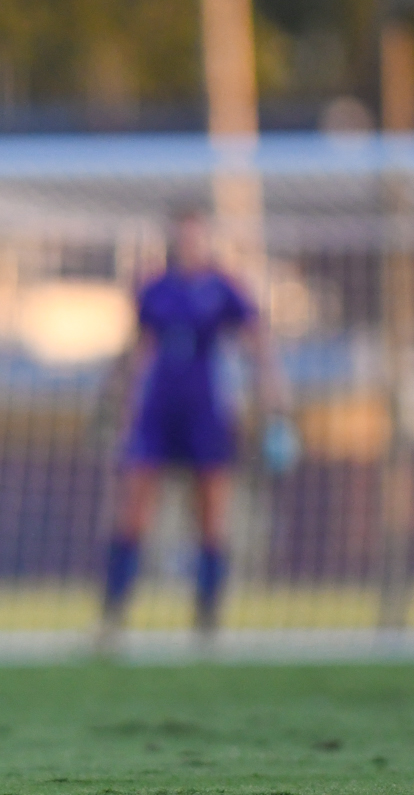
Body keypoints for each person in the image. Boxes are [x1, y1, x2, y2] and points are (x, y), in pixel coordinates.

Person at [102, 209, 288, 643]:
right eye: (181, 236)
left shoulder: (223, 287)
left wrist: (273, 402)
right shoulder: (153, 289)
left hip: (207, 412)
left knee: (211, 515)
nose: (187, 244)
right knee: (132, 510)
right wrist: (115, 400)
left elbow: (257, 343)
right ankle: (112, 616)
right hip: (157, 412)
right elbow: (136, 348)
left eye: (195, 236)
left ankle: (207, 620)